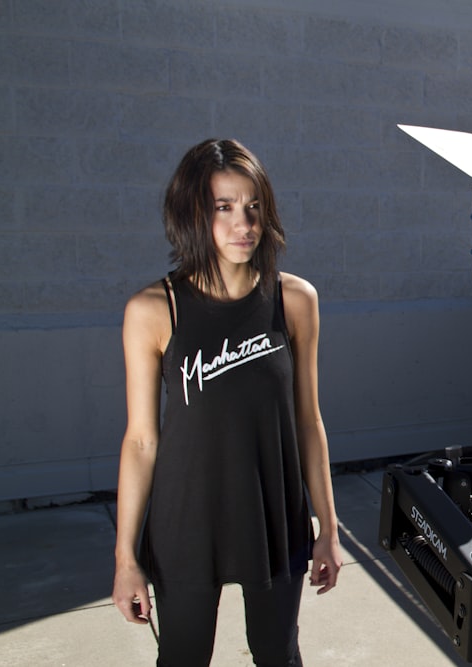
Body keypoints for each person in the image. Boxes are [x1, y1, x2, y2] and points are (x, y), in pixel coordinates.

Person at [111, 138, 344, 666]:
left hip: (275, 515)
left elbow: (308, 421)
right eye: (224, 207)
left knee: (278, 656)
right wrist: (126, 557)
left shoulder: (295, 301)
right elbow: (142, 440)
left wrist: (327, 530)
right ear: (193, 213)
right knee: (183, 657)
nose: (244, 224)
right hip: (186, 521)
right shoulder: (153, 309)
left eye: (253, 207)